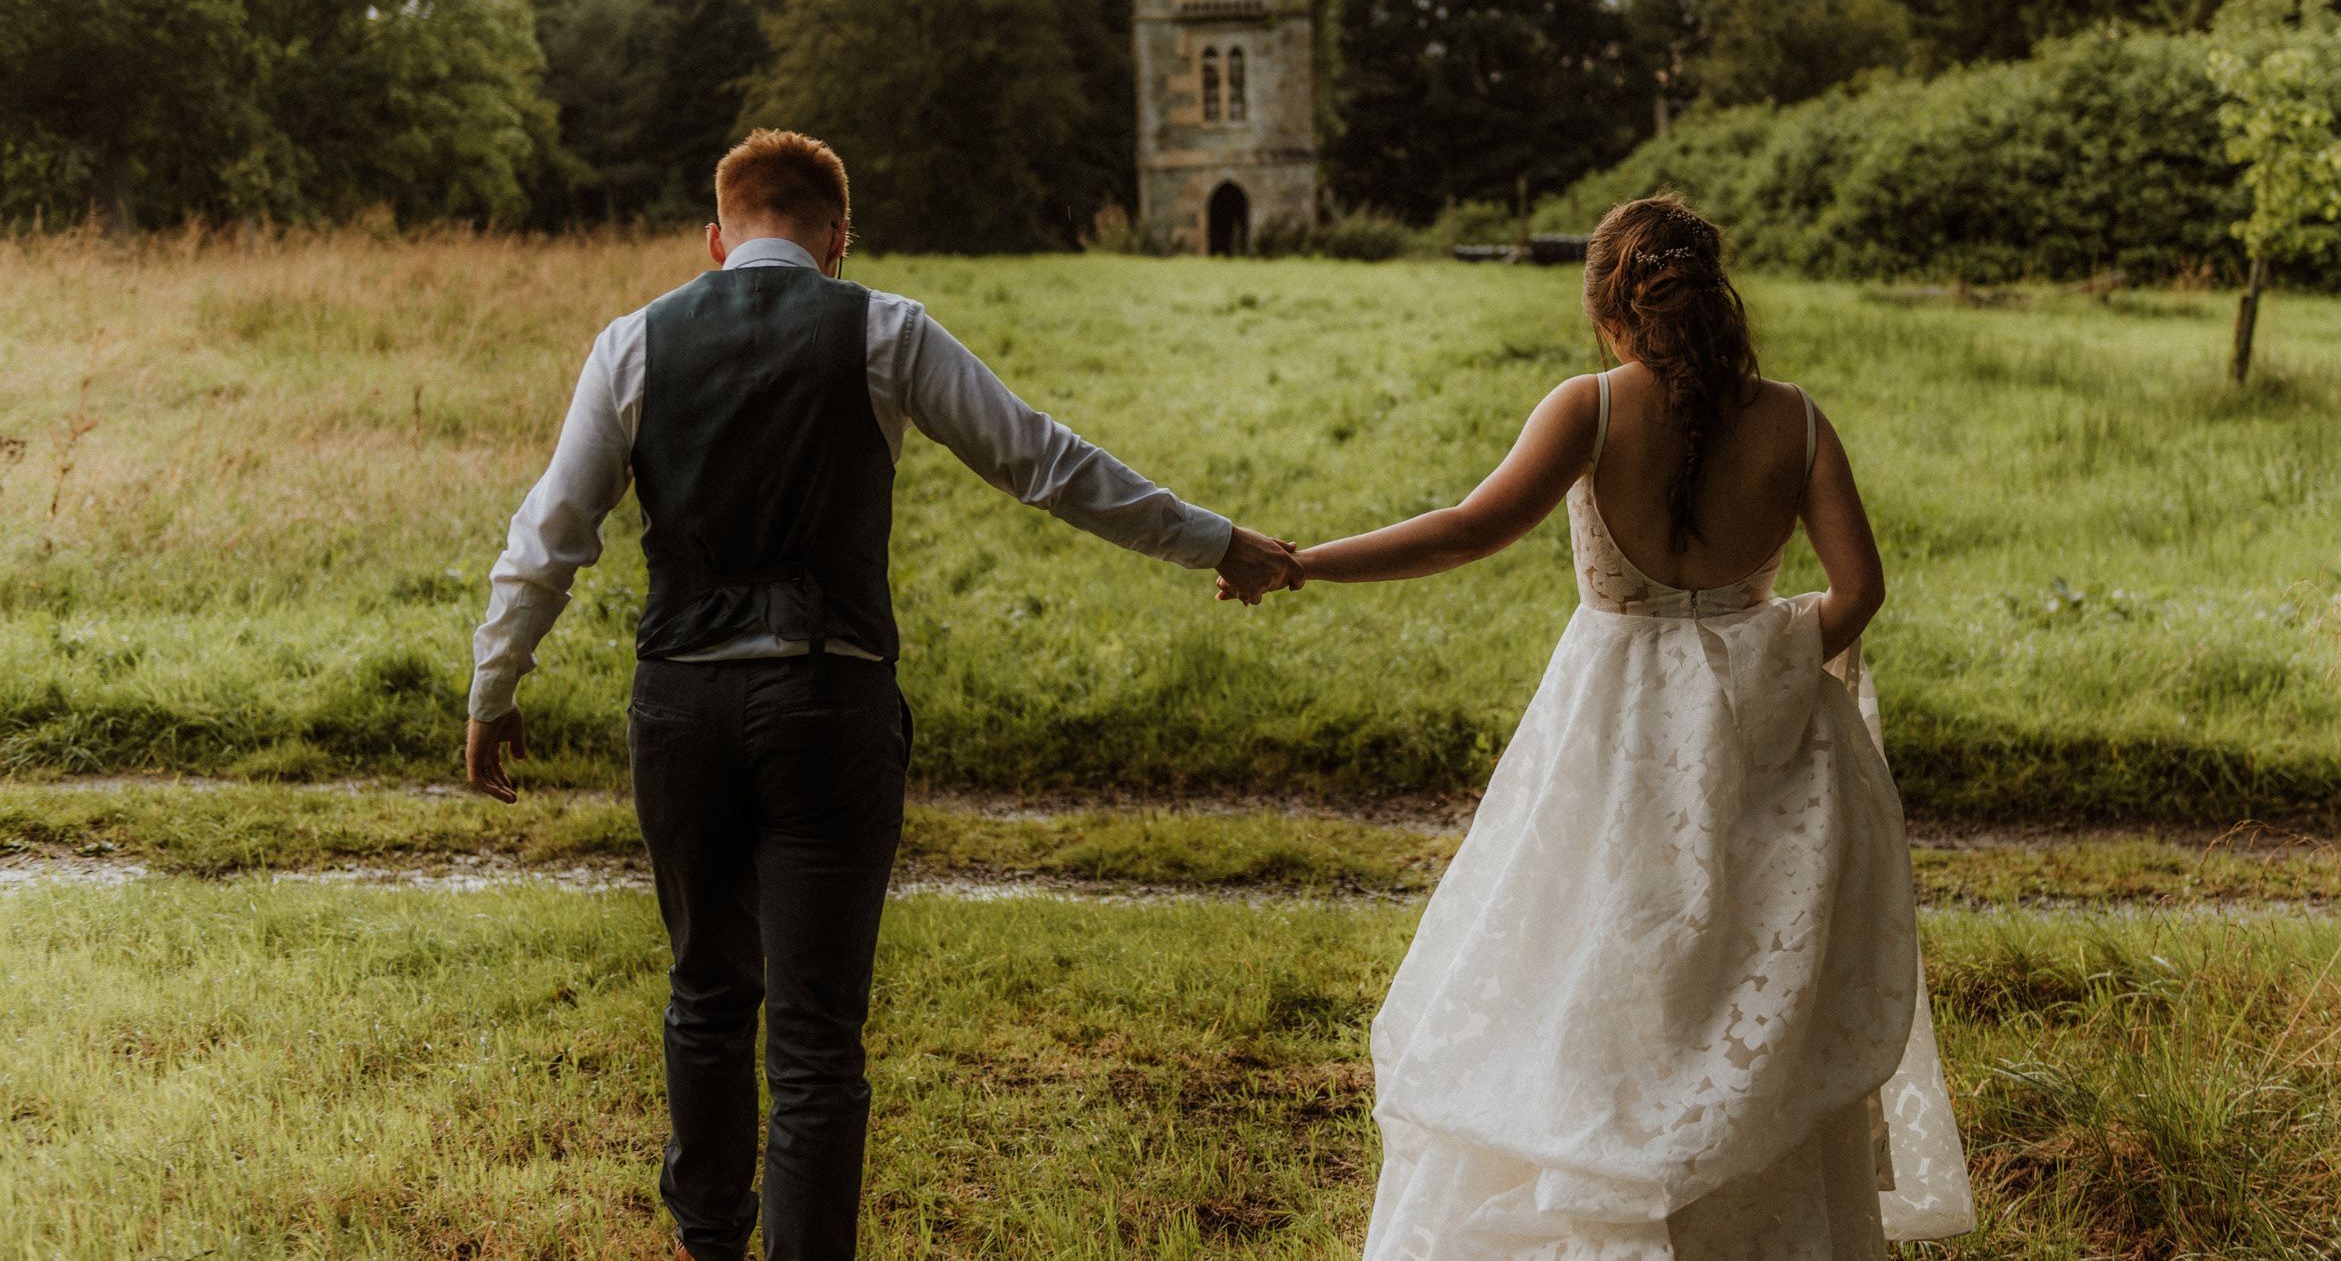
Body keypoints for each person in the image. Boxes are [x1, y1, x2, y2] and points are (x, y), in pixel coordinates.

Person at [463, 128, 1303, 1261]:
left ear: (717, 239)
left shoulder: (633, 344)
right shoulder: (886, 328)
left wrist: (493, 684)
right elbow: (1044, 462)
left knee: (706, 995)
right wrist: (1213, 541)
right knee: (816, 1040)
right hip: (829, 705)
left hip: (684, 714)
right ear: (837, 240)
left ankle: (707, 1243)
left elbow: (549, 537)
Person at [1249, 194, 1973, 1256]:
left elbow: (1464, 532)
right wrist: (1761, 659)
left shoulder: (1585, 408)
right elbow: (1858, 591)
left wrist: (1304, 561)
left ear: (1607, 309)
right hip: (1754, 743)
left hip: (1608, 729)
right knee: (1732, 970)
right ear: (1719, 297)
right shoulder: (1797, 420)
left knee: (1589, 953)